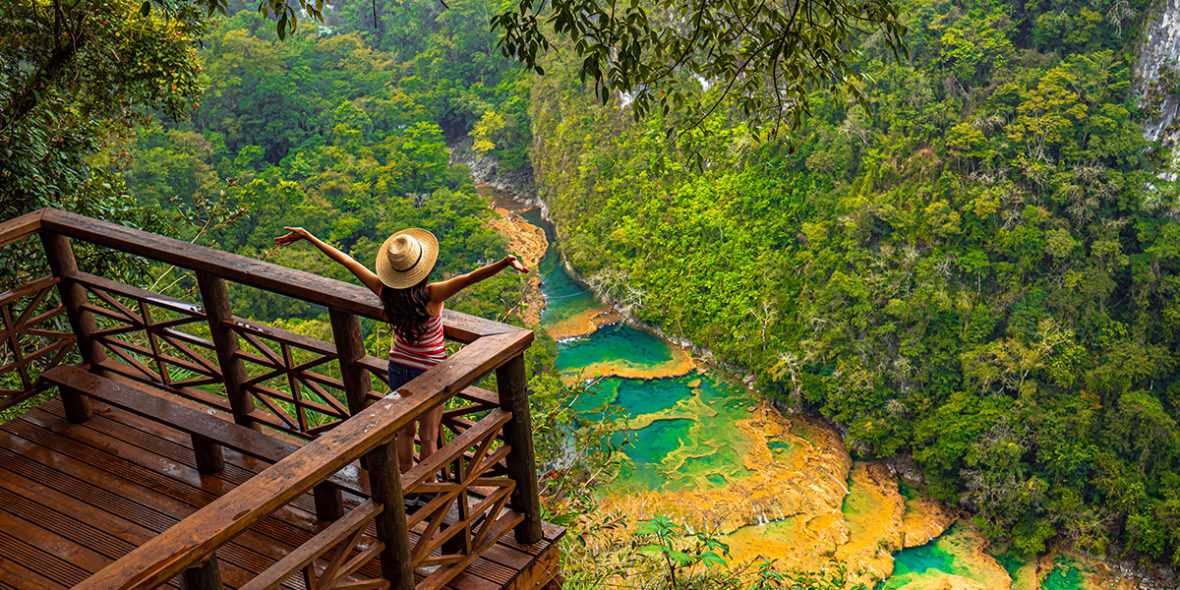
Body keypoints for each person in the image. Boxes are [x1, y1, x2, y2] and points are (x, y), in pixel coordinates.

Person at [274, 226, 528, 472]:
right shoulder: (432, 294)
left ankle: (407, 479)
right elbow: (471, 278)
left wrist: (309, 236)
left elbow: (347, 262)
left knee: (405, 432)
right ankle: (426, 485)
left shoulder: (384, 291)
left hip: (398, 368)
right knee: (429, 436)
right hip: (431, 373)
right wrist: (505, 262)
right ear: (421, 268)